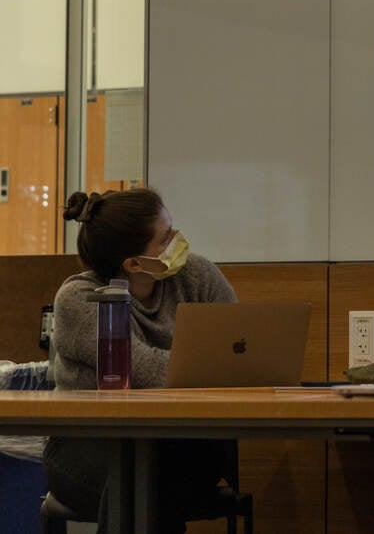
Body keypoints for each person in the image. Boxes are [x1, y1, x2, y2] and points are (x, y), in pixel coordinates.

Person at [44, 188, 238, 534]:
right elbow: (144, 370)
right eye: (166, 238)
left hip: (181, 441)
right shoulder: (79, 299)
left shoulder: (198, 277)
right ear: (132, 264)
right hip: (87, 446)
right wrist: (207, 369)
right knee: (137, 481)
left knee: (155, 475)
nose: (178, 241)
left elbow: (238, 351)